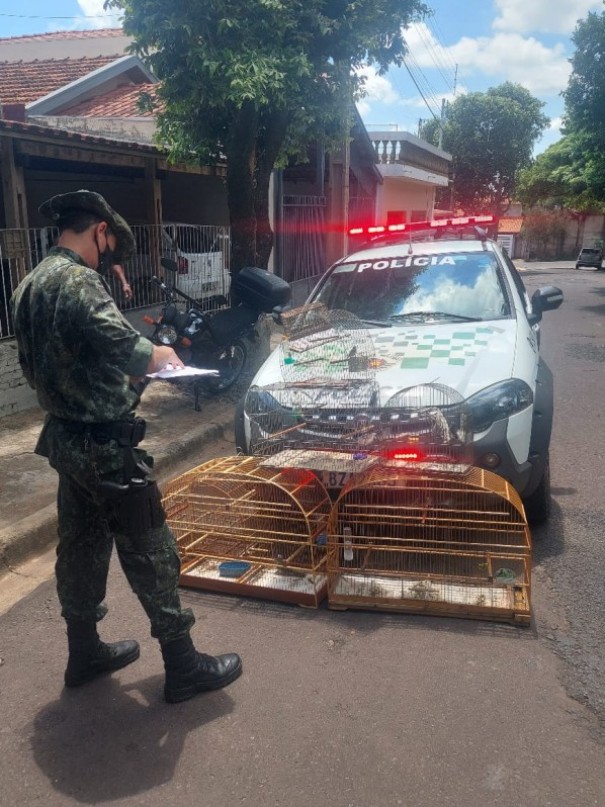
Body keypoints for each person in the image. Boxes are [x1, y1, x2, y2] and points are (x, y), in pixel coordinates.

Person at [10, 190, 242, 703]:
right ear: (99, 231)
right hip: (107, 447)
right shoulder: (78, 282)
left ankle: (84, 651)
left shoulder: (28, 284)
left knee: (81, 546)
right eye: (110, 248)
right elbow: (130, 349)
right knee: (151, 549)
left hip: (65, 440)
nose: (109, 259)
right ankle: (183, 665)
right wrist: (163, 353)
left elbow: (66, 359)